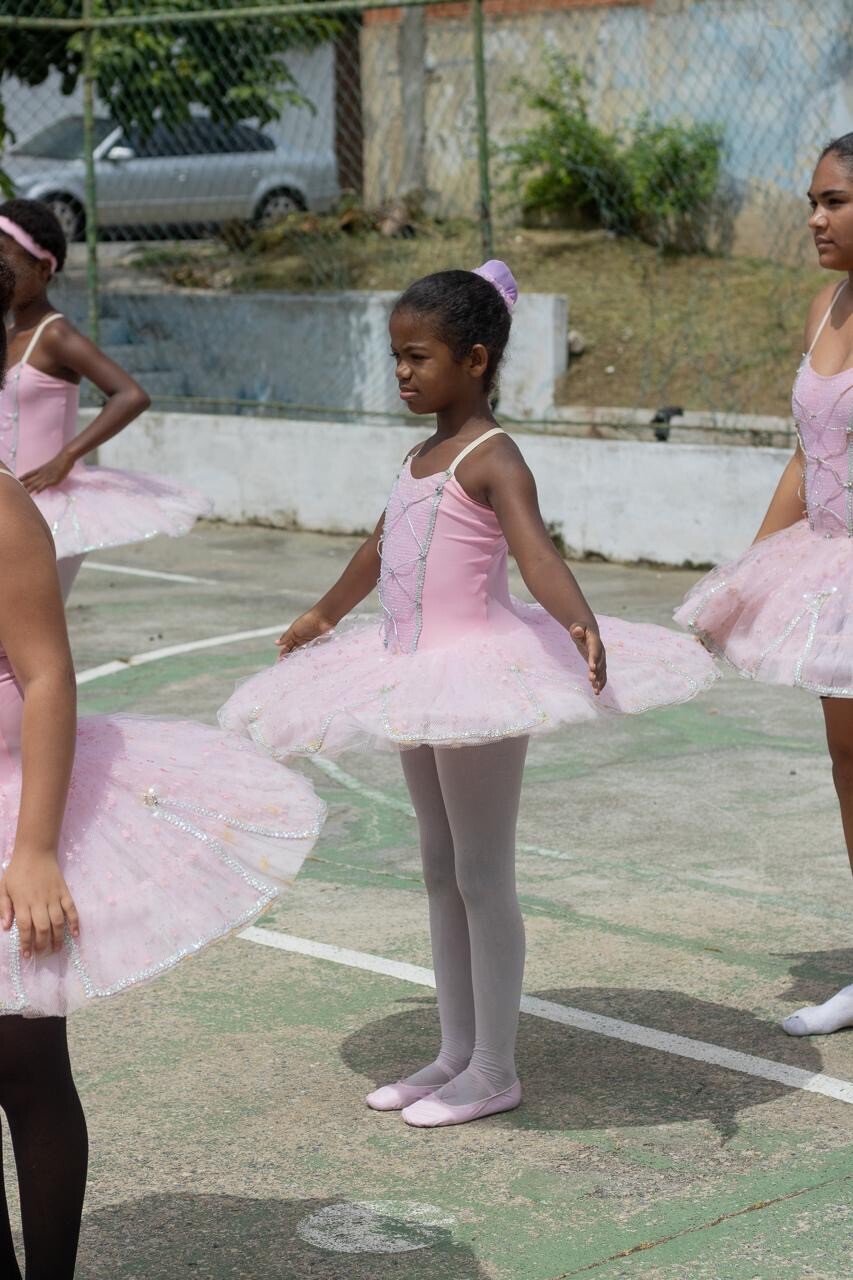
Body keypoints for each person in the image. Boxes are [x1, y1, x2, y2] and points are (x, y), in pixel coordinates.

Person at [220, 261, 717, 1128]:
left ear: (475, 360)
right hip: (408, 671)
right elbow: (382, 546)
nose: (401, 372)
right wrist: (324, 612)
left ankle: (494, 1068)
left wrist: (577, 619)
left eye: (418, 357)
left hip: (477, 675)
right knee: (439, 865)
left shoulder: (493, 458)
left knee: (483, 872)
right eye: (396, 356)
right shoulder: (418, 456)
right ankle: (455, 1051)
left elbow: (536, 553)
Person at [0, 257, 324, 1279]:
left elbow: (47, 677)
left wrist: (35, 850)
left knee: (22, 1060)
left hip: (10, 801)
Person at [675, 133, 853, 1037]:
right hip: (831, 570)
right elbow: (805, 457)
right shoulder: (825, 306)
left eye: (834, 202)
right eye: (810, 204)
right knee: (848, 761)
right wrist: (743, 576)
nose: (814, 220)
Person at [0, 197, 210, 600]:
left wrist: (66, 457)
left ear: (42, 269)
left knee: (36, 610)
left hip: (48, 501)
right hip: (10, 495)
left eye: (3, 255)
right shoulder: (8, 335)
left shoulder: (55, 335)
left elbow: (130, 395)